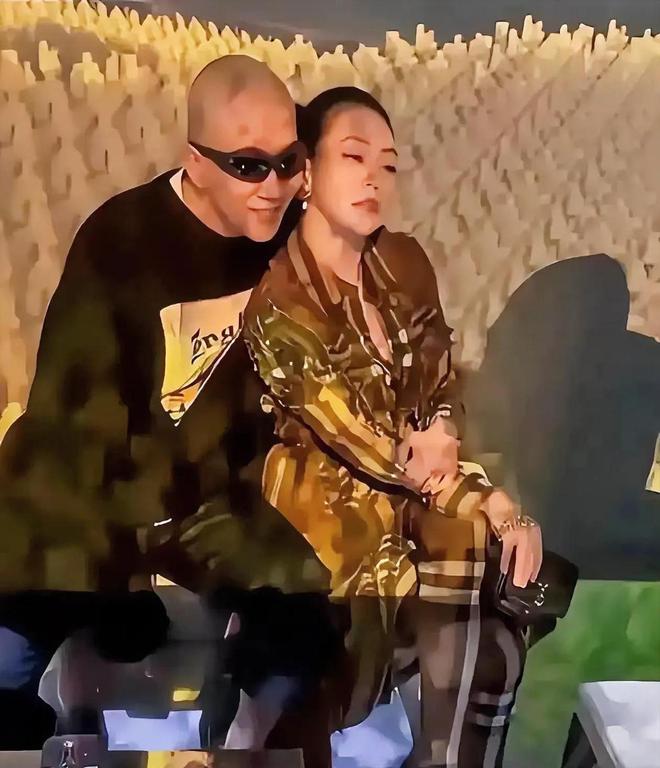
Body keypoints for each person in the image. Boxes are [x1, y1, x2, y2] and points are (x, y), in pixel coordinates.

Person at [0, 54, 333, 752]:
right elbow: (77, 423)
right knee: (16, 640)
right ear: (196, 162)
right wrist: (120, 573)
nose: (274, 187)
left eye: (288, 162)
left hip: (204, 494)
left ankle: (236, 746)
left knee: (305, 609)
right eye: (248, 166)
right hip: (84, 485)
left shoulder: (289, 238)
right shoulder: (121, 243)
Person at [240, 87, 543, 767]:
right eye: (354, 157)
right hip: (327, 506)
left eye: (389, 164)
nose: (374, 178)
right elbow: (374, 448)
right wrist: (490, 501)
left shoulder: (403, 263)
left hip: (419, 490)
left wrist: (445, 427)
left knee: (487, 620)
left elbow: (441, 382)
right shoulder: (280, 305)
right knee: (469, 603)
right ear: (306, 172)